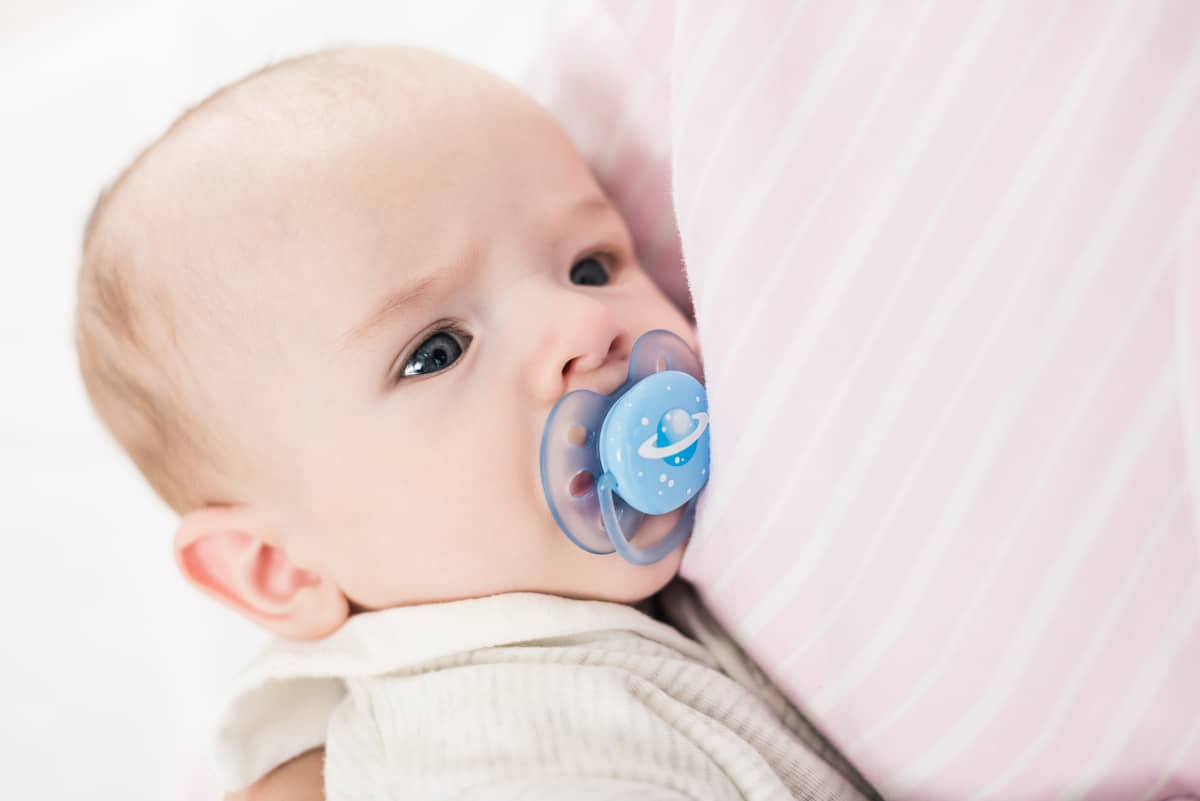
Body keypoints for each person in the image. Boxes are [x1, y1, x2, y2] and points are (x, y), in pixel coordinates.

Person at [75, 45, 876, 801]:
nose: (582, 326)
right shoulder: (498, 750)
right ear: (279, 567)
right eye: (436, 352)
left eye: (589, 266)